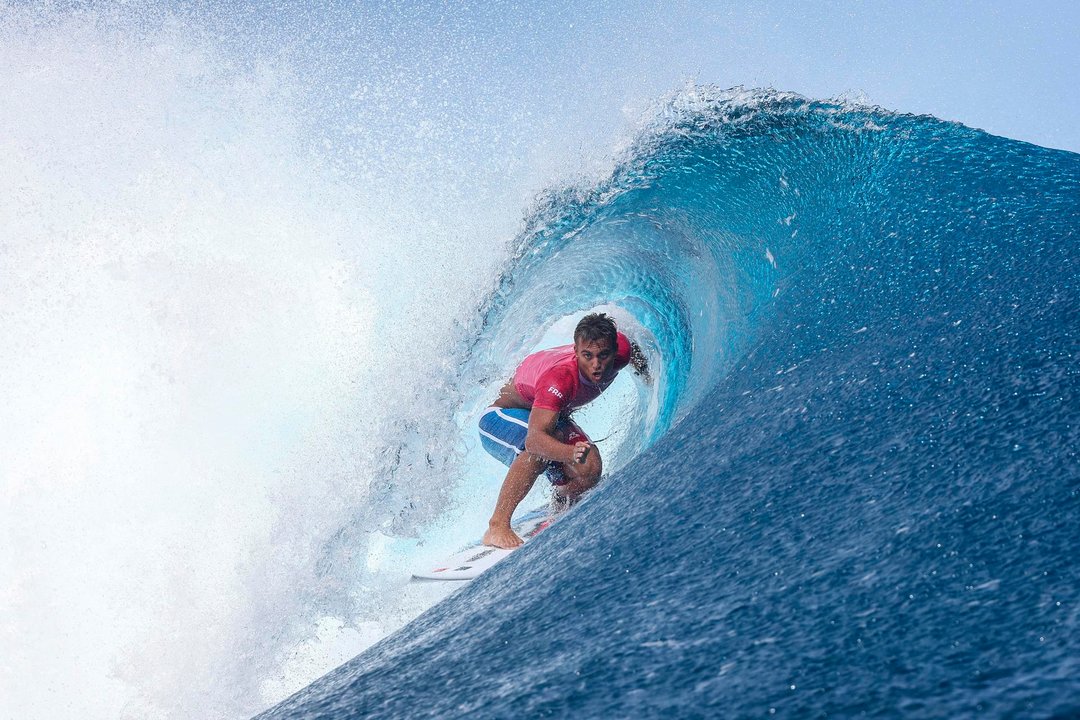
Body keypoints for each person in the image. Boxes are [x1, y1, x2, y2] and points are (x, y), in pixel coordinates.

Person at [477, 313, 650, 548]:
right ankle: (497, 526)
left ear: (613, 350)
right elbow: (535, 441)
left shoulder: (622, 351)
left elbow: (634, 355)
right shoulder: (560, 379)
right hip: (500, 417)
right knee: (541, 451)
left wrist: (650, 380)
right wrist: (569, 454)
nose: (596, 365)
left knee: (590, 466)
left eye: (603, 356)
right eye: (587, 356)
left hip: (545, 415)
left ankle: (562, 498)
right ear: (576, 351)